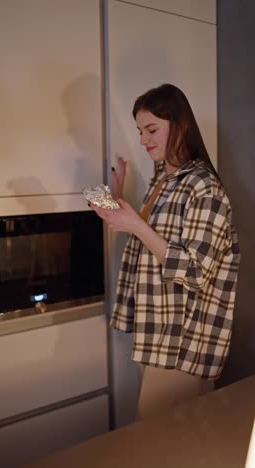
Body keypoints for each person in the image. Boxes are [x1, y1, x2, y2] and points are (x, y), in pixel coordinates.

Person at [91, 84, 240, 418]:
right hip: (157, 328)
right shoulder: (162, 178)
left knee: (160, 434)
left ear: (181, 125)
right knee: (173, 437)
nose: (143, 140)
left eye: (152, 129)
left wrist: (136, 225)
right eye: (140, 131)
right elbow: (151, 244)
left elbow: (196, 272)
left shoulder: (203, 186)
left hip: (183, 338)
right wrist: (119, 202)